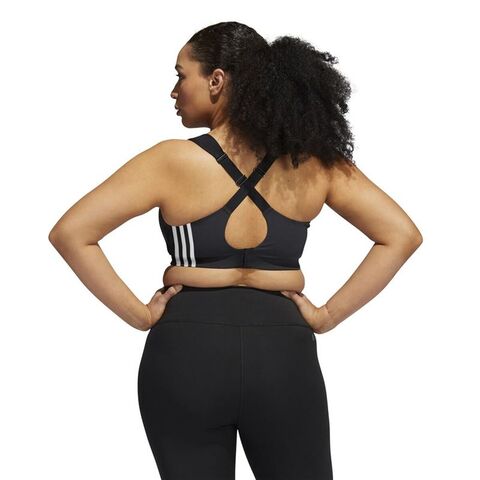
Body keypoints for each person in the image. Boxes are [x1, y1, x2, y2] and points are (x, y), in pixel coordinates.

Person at [49, 21, 423, 480]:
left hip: (187, 352)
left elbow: (72, 232)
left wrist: (140, 315)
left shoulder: (169, 160)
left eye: (181, 75)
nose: (174, 91)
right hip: (283, 353)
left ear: (217, 80)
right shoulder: (310, 164)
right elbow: (400, 234)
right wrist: (326, 315)